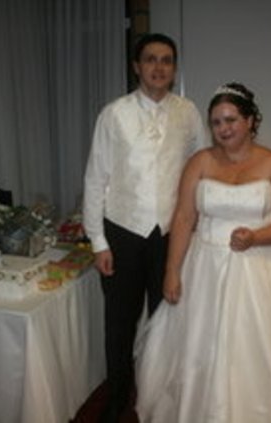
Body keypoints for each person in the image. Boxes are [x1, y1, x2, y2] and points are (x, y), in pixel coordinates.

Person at [135, 83, 271, 422]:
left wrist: (256, 237)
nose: (223, 129)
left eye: (231, 120)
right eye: (216, 122)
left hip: (260, 267)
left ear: (250, 121)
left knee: (258, 351)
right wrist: (172, 271)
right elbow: (184, 217)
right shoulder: (199, 162)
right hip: (204, 268)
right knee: (199, 348)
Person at [82, 33, 207, 423]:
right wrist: (97, 241)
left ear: (174, 68)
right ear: (136, 66)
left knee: (168, 322)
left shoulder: (188, 112)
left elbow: (201, 171)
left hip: (171, 235)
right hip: (122, 232)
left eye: (166, 60)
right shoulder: (113, 114)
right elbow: (95, 178)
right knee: (119, 325)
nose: (158, 67)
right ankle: (118, 396)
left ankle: (163, 397)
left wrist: (199, 227)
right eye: (150, 59)